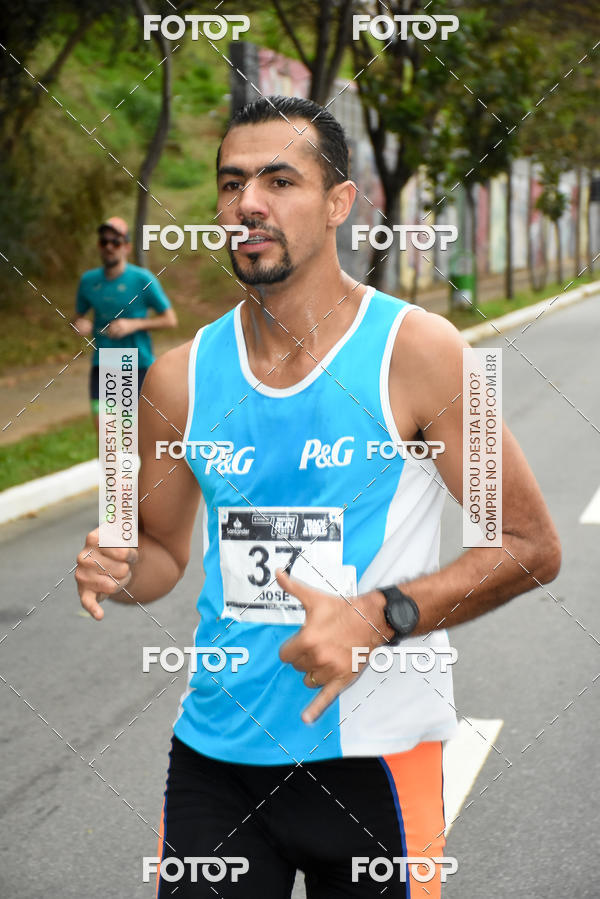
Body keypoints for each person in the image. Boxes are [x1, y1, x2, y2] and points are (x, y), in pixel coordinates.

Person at [74, 97, 561, 898]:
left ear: (339, 202)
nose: (249, 204)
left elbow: (531, 545)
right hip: (215, 759)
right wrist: (116, 569)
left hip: (379, 762)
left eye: (278, 180)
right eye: (232, 184)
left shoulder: (425, 352)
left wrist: (378, 614)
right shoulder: (176, 379)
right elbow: (160, 554)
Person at [72, 216, 177, 432]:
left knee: (136, 438)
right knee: (108, 440)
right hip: (104, 363)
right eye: (104, 242)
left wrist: (133, 325)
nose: (109, 247)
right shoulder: (88, 281)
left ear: (126, 247)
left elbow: (170, 320)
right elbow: (77, 318)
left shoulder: (141, 279)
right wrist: (79, 324)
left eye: (116, 242)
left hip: (136, 364)